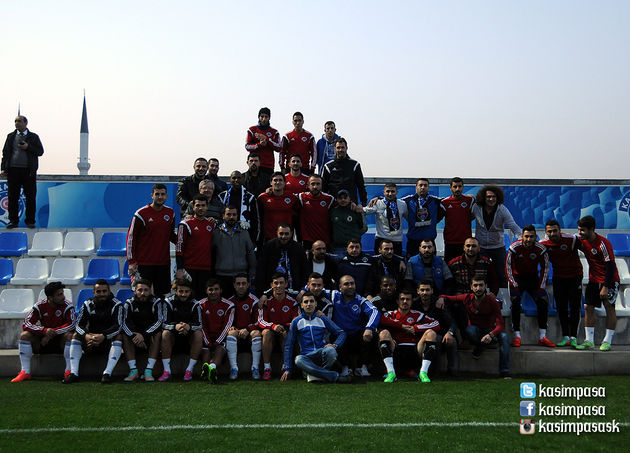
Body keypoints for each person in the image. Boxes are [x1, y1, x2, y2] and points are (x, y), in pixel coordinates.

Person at [436, 275, 511, 378]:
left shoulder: (492, 301)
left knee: (505, 337)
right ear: (471, 287)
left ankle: (504, 371)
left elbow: (501, 325)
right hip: (476, 332)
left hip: (490, 331)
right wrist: (441, 298)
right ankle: (481, 345)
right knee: (469, 330)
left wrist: (491, 335)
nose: (478, 288)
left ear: (486, 286)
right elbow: (449, 297)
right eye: (475, 285)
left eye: (481, 285)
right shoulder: (467, 297)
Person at [11, 282, 75, 382]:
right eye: (59, 294)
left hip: (60, 342)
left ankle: (69, 371)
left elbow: (72, 324)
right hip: (42, 343)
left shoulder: (68, 305)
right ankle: (25, 372)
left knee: (70, 336)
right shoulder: (40, 306)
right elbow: (26, 324)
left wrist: (51, 333)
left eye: (63, 293)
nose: (63, 297)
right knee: (24, 336)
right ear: (50, 298)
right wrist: (44, 331)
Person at [281, 292, 350, 383]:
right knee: (298, 359)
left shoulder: (322, 318)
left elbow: (341, 333)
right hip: (307, 357)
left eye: (311, 301)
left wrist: (335, 345)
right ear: (301, 305)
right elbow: (288, 345)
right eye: (306, 302)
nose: (309, 304)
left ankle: (315, 375)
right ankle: (332, 376)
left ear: (315, 304)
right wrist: (287, 368)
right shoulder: (296, 321)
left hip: (322, 353)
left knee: (331, 351)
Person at [63, 280, 124, 384]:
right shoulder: (88, 304)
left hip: (107, 341)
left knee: (118, 336)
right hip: (90, 341)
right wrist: (86, 335)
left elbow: (118, 326)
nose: (102, 294)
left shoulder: (117, 304)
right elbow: (78, 325)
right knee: (76, 335)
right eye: (98, 291)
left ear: (109, 291)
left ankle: (107, 374)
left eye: (104, 291)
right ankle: (74, 373)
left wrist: (103, 336)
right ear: (94, 292)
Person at [576, 215, 620, 351]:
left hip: (610, 280)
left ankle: (607, 341)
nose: (580, 233)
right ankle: (589, 340)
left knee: (609, 307)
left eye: (582, 230)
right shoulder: (582, 241)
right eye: (579, 230)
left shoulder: (603, 244)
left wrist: (606, 286)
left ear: (591, 229)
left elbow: (610, 266)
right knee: (588, 307)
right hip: (593, 280)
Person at [506, 225, 554, 347]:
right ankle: (517, 336)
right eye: (526, 236)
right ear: (522, 236)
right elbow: (508, 268)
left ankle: (542, 337)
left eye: (531, 236)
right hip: (518, 279)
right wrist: (514, 284)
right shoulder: (514, 247)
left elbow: (545, 268)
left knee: (543, 302)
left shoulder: (540, 249)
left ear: (535, 237)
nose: (529, 239)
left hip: (533, 279)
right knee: (515, 302)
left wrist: (541, 287)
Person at [378, 289, 439, 383]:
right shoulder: (391, 314)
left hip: (414, 350)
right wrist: (401, 326)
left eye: (408, 299)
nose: (405, 301)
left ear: (411, 301)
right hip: (396, 350)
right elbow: (381, 319)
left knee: (431, 333)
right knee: (383, 333)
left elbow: (436, 324)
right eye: (402, 299)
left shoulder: (418, 315)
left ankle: (423, 373)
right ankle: (391, 373)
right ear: (397, 301)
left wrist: (416, 328)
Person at [127, 183, 176, 298]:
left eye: (163, 194)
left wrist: (187, 243)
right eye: (157, 194)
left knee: (163, 296)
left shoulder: (170, 213)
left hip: (163, 263)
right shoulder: (141, 213)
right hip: (144, 263)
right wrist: (131, 262)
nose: (160, 197)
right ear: (152, 195)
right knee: (142, 296)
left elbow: (171, 235)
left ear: (166, 196)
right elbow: (131, 238)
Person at [540, 220, 583, 348]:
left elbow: (587, 249)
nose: (552, 233)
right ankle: (565, 337)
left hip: (575, 276)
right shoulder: (543, 244)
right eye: (549, 231)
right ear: (546, 232)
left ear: (560, 230)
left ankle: (574, 337)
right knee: (561, 307)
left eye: (555, 230)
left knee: (575, 307)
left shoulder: (572, 239)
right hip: (559, 277)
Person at [330, 275, 380, 377]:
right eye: (346, 284)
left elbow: (374, 311)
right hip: (341, 335)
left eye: (352, 283)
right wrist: (304, 290)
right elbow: (316, 288)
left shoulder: (360, 300)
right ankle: (345, 367)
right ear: (340, 287)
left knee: (373, 336)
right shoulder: (334, 295)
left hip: (356, 335)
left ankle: (362, 366)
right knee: (336, 335)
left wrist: (369, 328)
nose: (350, 286)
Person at [472, 185, 521, 287]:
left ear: (498, 197)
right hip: (481, 248)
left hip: (498, 247)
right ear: (483, 198)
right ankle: (483, 295)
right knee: (481, 275)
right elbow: (465, 218)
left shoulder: (502, 210)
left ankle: (504, 295)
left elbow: (512, 225)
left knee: (502, 275)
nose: (491, 199)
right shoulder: (476, 207)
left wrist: (522, 239)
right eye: (488, 197)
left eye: (494, 196)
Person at [1, 115, 44, 228]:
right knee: (12, 197)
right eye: (15, 121)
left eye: (19, 121)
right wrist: (3, 168)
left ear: (25, 123)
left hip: (28, 172)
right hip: (13, 171)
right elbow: (5, 153)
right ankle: (13, 221)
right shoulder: (11, 136)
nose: (17, 123)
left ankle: (30, 221)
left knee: (30, 197)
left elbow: (40, 151)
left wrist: (28, 147)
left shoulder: (33, 137)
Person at [257, 272, 299, 380]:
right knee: (266, 333)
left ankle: (285, 366)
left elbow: (297, 320)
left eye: (281, 283)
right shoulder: (266, 301)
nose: (278, 286)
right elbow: (261, 321)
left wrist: (284, 326)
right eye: (276, 283)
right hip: (271, 330)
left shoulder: (292, 302)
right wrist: (273, 326)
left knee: (286, 333)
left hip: (284, 330)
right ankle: (267, 368)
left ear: (286, 284)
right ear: (271, 285)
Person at [160, 279, 203, 382]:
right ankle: (166, 371)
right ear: (176, 291)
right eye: (181, 291)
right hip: (173, 337)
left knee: (198, 334)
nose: (183, 294)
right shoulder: (168, 301)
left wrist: (188, 327)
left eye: (186, 291)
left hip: (189, 337)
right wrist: (176, 326)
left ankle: (189, 370)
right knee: (165, 334)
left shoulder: (195, 303)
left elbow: (199, 324)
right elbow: (164, 323)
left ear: (190, 291)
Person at [121, 278, 163, 382]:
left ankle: (149, 370)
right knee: (124, 335)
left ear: (150, 291)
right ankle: (133, 370)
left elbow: (159, 322)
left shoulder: (156, 302)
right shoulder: (129, 303)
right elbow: (124, 323)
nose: (143, 293)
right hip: (135, 337)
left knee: (158, 333)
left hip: (148, 336)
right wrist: (134, 336)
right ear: (135, 291)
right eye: (140, 290)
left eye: (146, 290)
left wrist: (143, 335)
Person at [176, 194, 217, 299]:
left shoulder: (211, 224)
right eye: (198, 205)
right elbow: (179, 247)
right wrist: (180, 269)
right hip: (189, 268)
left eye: (203, 205)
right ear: (193, 207)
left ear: (207, 207)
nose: (200, 208)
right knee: (188, 298)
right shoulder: (185, 224)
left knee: (203, 299)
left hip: (206, 269)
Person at [414, 280, 458, 377]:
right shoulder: (414, 304)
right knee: (436, 338)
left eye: (427, 290)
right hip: (420, 336)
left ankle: (452, 371)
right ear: (418, 291)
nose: (425, 292)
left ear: (432, 291)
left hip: (440, 334)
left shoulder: (439, 303)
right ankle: (434, 371)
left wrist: (449, 333)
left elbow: (452, 322)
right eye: (422, 290)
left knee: (451, 341)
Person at [212, 205, 256, 298]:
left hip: (241, 276)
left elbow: (250, 253)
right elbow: (211, 254)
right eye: (228, 214)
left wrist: (253, 270)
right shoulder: (216, 233)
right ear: (223, 216)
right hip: (222, 276)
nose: (231, 217)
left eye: (234, 214)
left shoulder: (244, 232)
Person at [226, 274, 263, 379]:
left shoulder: (254, 301)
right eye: (238, 284)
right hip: (237, 332)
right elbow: (226, 321)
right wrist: (231, 327)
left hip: (249, 332)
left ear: (248, 285)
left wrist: (248, 329)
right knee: (231, 333)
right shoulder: (229, 301)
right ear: (234, 285)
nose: (241, 286)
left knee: (256, 333)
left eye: (243, 283)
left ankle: (255, 369)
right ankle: (234, 369)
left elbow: (259, 321)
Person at [256, 223, 308, 295]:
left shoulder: (298, 248)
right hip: (271, 290)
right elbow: (261, 269)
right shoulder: (268, 246)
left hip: (295, 290)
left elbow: (305, 270)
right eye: (281, 233)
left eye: (286, 234)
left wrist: (303, 290)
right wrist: (263, 292)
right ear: (277, 233)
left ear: (291, 234)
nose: (283, 236)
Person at [199, 279, 234, 383]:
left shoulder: (229, 305)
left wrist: (217, 342)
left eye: (216, 289)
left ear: (221, 290)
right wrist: (208, 342)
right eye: (210, 289)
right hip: (206, 338)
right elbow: (201, 325)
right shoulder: (200, 304)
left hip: (220, 338)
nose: (213, 292)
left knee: (219, 349)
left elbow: (227, 326)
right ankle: (208, 371)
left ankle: (211, 368)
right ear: (206, 291)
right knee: (206, 351)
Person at [401, 178, 445, 257]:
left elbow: (451, 200)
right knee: (412, 263)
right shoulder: (408, 200)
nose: (423, 187)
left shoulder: (436, 201)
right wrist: (379, 199)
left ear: (428, 187)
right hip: (413, 242)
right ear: (416, 187)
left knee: (431, 264)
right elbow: (393, 201)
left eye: (425, 185)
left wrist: (467, 196)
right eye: (420, 185)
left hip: (429, 242)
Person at [363, 183, 408, 256]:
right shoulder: (377, 203)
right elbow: (364, 211)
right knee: (379, 262)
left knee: (396, 262)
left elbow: (409, 218)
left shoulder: (402, 204)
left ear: (397, 192)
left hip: (397, 241)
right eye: (387, 191)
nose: (390, 194)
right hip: (381, 240)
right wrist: (355, 207)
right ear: (383, 192)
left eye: (393, 191)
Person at [321, 137, 367, 206]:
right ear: (334, 149)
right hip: (334, 205)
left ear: (346, 148)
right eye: (338, 147)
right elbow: (323, 187)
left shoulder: (355, 165)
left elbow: (361, 186)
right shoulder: (328, 166)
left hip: (351, 204)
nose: (340, 150)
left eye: (342, 147)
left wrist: (364, 203)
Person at [218, 170, 259, 245]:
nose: (236, 180)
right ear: (230, 180)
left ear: (243, 179)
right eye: (234, 178)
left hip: (244, 234)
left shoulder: (250, 197)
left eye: (239, 178)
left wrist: (254, 240)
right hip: (225, 234)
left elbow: (255, 219)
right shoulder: (222, 196)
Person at [257, 172, 299, 241]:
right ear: (271, 183)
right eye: (275, 180)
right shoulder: (262, 198)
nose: (278, 182)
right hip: (268, 237)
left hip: (286, 237)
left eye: (280, 180)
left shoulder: (293, 198)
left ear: (284, 183)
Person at [441, 177, 475, 263]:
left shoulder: (470, 200)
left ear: (463, 187)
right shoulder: (444, 202)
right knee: (450, 266)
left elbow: (474, 215)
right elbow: (437, 218)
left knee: (465, 266)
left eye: (460, 186)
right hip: (450, 241)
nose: (457, 189)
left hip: (466, 242)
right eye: (455, 187)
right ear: (450, 188)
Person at [298, 174, 335, 249]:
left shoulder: (330, 199)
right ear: (308, 185)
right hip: (307, 241)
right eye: (313, 184)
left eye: (318, 184)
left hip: (324, 241)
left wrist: (352, 204)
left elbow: (343, 203)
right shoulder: (301, 197)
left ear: (321, 185)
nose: (315, 187)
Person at [245, 107, 282, 180]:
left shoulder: (274, 132)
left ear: (269, 118)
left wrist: (267, 140)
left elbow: (279, 147)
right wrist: (259, 145)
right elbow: (247, 146)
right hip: (255, 165)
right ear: (258, 117)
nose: (264, 119)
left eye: (266, 117)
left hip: (268, 166)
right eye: (262, 116)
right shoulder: (252, 130)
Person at [330, 189, 367, 255]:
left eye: (345, 198)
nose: (343, 200)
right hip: (338, 247)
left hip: (354, 246)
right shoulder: (333, 212)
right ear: (336, 199)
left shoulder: (355, 210)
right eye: (340, 198)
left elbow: (363, 228)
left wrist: (354, 237)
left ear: (350, 199)